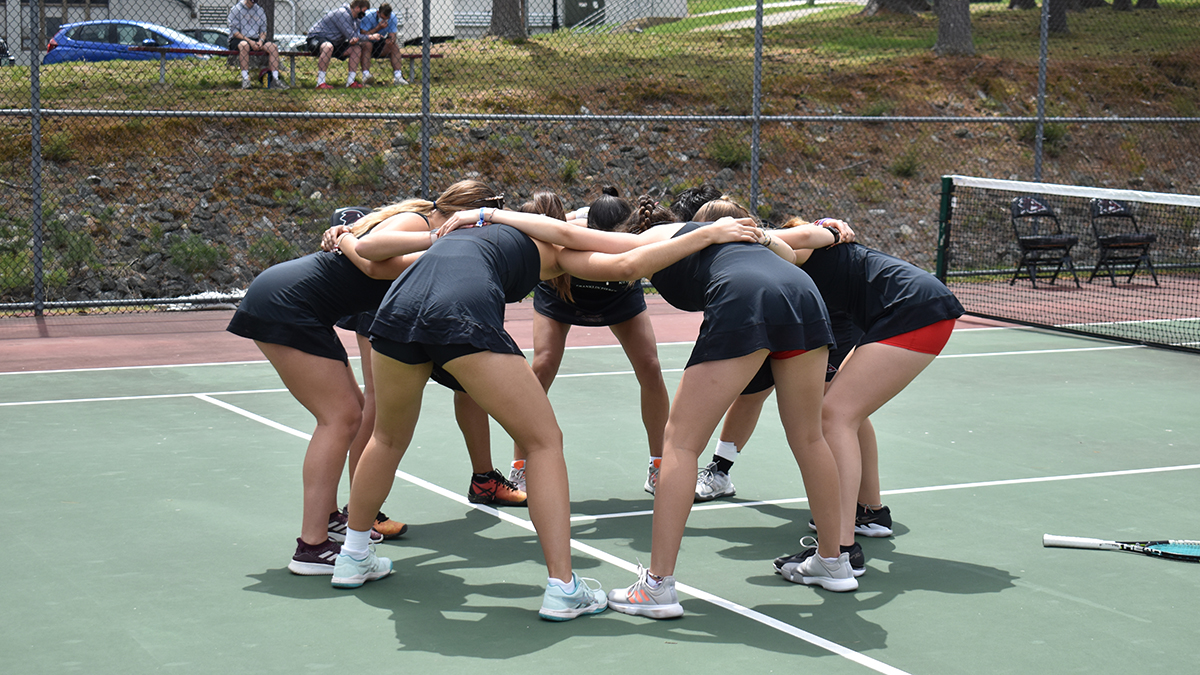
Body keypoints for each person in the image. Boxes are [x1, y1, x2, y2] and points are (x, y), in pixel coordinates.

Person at [328, 206, 763, 620]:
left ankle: (352, 556)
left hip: (395, 313)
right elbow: (627, 262)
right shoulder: (552, 244)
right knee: (544, 442)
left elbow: (372, 253)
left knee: (386, 438)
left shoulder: (475, 235)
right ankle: (563, 588)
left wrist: (349, 239)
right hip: (457, 313)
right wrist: (707, 233)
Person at [427, 205, 856, 618]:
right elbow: (802, 238)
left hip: (747, 300)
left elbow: (566, 234)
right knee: (808, 436)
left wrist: (489, 215)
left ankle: (657, 587)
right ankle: (833, 562)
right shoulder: (729, 237)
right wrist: (830, 228)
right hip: (804, 296)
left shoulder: (657, 237)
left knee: (681, 444)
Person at [226, 180, 505, 576]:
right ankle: (311, 547)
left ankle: (329, 518)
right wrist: (434, 239)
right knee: (339, 418)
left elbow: (385, 268)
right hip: (286, 303)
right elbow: (372, 259)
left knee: (352, 412)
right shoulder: (416, 220)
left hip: (295, 303)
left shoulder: (427, 234)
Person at [704, 209, 964, 582]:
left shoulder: (794, 243)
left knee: (834, 415)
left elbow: (808, 237)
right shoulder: (800, 273)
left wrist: (755, 233)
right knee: (848, 413)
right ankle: (870, 513)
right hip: (911, 309)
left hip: (913, 308)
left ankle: (840, 550)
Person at [506, 187, 671, 497]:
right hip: (562, 295)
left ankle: (659, 465)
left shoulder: (640, 233)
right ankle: (521, 468)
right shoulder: (569, 232)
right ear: (592, 230)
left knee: (650, 366)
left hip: (618, 297)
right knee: (541, 366)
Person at [306, 0, 371, 89]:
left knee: (356, 49)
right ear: (357, 8)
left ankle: (351, 82)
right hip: (317, 38)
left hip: (335, 43)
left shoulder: (356, 20)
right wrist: (371, 37)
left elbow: (354, 37)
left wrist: (354, 40)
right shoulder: (342, 14)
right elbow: (351, 35)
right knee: (328, 47)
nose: (364, 14)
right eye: (363, 11)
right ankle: (320, 83)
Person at [227, 0, 286, 90]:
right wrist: (250, 41)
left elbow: (263, 31)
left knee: (273, 47)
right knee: (244, 45)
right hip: (239, 39)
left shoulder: (259, 10)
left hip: (256, 39)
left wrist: (261, 41)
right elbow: (235, 32)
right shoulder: (236, 9)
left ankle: (275, 79)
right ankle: (245, 79)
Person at [358, 3, 409, 86]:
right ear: (378, 12)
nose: (384, 20)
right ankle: (366, 75)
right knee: (367, 45)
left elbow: (393, 35)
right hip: (366, 41)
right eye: (382, 18)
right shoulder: (368, 16)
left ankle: (398, 76)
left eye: (387, 18)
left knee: (394, 46)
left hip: (379, 41)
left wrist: (391, 40)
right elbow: (362, 34)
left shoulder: (392, 18)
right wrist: (378, 28)